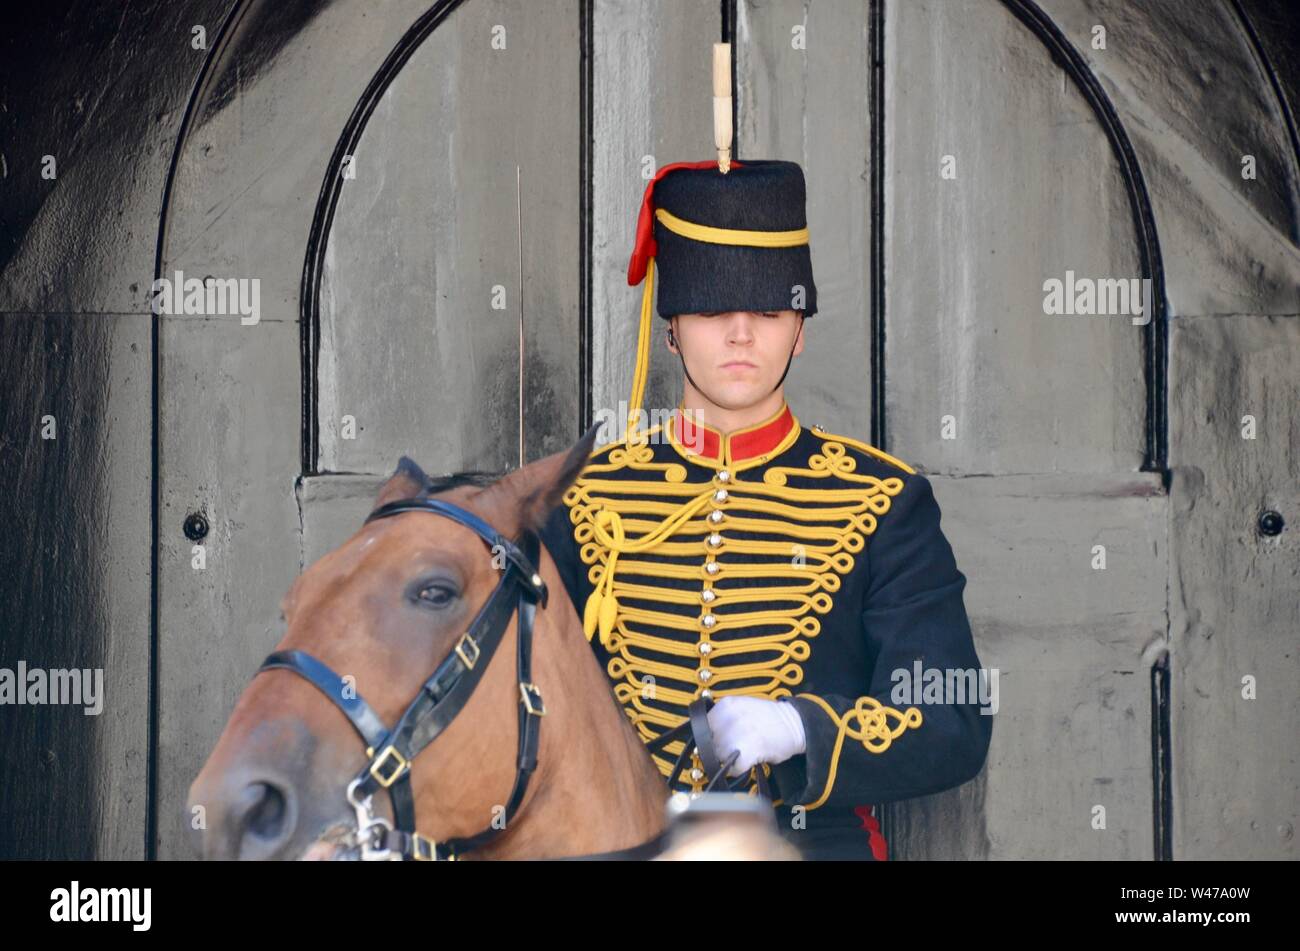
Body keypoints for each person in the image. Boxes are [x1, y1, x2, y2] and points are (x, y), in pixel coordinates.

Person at [538, 158, 992, 860]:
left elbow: (950, 718)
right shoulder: (585, 500)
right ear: (672, 330)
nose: (743, 333)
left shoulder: (884, 503)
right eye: (716, 309)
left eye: (770, 311)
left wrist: (801, 729)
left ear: (800, 330)